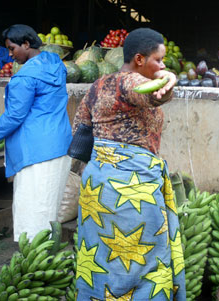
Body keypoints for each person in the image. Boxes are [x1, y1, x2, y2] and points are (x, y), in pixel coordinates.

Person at [72, 28, 185, 300]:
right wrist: (169, 79)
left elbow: (80, 129)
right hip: (132, 188)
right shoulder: (131, 82)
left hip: (98, 186)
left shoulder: (98, 85)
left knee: (101, 257)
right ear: (138, 59)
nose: (162, 65)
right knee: (142, 257)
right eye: (158, 60)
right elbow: (154, 96)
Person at [0, 24, 72, 242]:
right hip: (59, 147)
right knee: (49, 210)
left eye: (12, 48)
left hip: (36, 153)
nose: (9, 55)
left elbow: (14, 118)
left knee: (33, 216)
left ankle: (33, 267)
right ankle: (46, 262)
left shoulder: (25, 78)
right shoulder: (55, 64)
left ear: (27, 44)